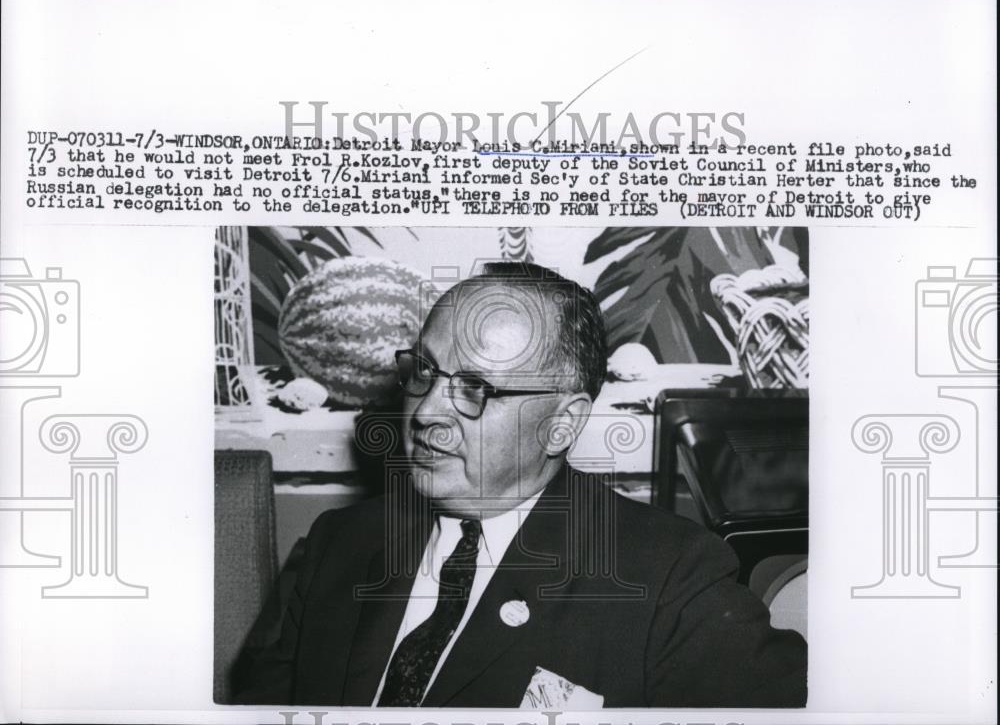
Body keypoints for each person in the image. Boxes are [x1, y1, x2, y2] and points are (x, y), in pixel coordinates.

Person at [233, 261, 807, 708]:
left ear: (563, 423)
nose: (428, 411)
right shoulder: (337, 545)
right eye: (426, 372)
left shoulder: (671, 578)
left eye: (478, 388)